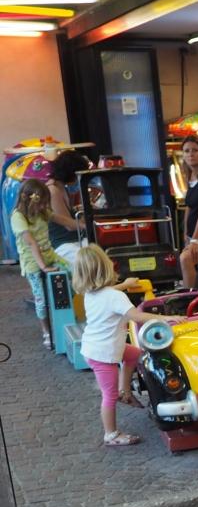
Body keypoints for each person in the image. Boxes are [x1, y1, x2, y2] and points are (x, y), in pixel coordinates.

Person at [73, 244, 152, 447]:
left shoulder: (91, 293)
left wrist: (125, 284)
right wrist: (169, 318)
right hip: (103, 354)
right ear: (106, 266)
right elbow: (137, 316)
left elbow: (109, 294)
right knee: (109, 396)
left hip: (95, 347)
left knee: (134, 354)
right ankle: (111, 434)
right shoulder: (115, 297)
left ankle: (125, 391)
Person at [11, 179, 68, 349]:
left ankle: (65, 318)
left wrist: (81, 224)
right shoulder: (18, 217)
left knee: (73, 272)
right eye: (41, 203)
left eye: (45, 203)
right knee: (40, 299)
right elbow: (31, 243)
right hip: (32, 262)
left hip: (49, 255)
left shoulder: (42, 212)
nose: (44, 207)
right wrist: (43, 266)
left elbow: (61, 220)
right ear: (28, 200)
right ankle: (46, 331)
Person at [48, 150, 90, 267]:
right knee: (90, 261)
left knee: (99, 252)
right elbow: (68, 225)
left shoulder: (62, 187)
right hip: (62, 244)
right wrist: (86, 222)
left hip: (74, 240)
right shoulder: (53, 191)